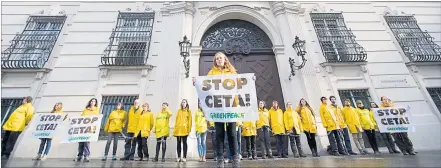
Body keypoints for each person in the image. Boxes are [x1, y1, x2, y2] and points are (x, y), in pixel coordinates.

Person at [193, 52, 240, 168]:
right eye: (217, 58)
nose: (219, 60)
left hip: (230, 106)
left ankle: (235, 158)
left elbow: (240, 85)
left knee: (232, 134)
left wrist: (251, 80)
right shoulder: (211, 73)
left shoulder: (232, 72)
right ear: (215, 61)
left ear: (225, 60)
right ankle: (220, 159)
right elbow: (205, 87)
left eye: (221, 58)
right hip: (217, 107)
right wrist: (196, 83)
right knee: (219, 133)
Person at [74, 98, 99, 162]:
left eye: (94, 101)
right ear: (90, 102)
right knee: (81, 142)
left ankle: (86, 156)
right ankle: (80, 155)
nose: (92, 102)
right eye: (92, 101)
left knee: (87, 142)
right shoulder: (85, 110)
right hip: (83, 128)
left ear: (95, 103)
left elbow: (96, 119)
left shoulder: (96, 110)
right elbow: (81, 117)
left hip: (89, 129)